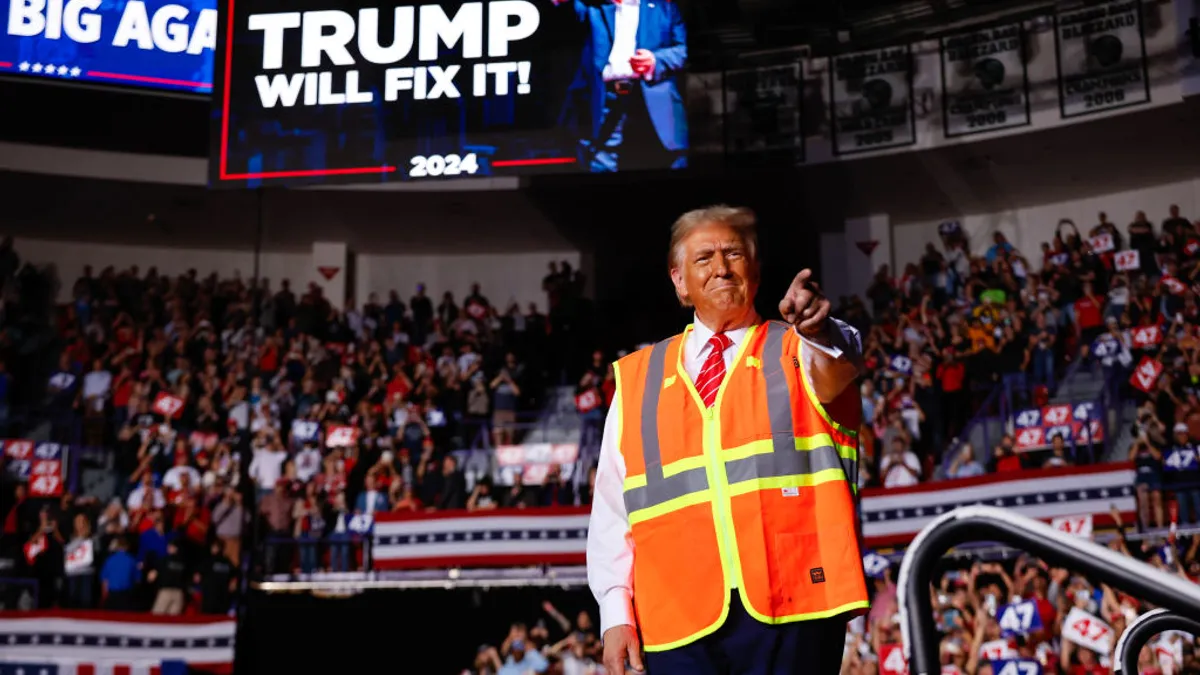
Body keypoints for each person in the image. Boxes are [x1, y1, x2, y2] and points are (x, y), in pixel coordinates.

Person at [587, 205, 869, 675]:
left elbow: (839, 363)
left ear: (755, 271)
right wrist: (615, 614)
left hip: (797, 605)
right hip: (675, 620)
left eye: (733, 253)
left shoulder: (801, 345)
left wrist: (818, 328)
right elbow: (612, 512)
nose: (721, 267)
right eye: (704, 258)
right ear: (679, 281)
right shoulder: (637, 378)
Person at [552, 0, 688, 172]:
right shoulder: (591, 8)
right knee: (601, 161)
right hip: (606, 99)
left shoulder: (664, 8)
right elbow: (560, 15)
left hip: (654, 97)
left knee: (667, 161)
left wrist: (655, 60)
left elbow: (682, 51)